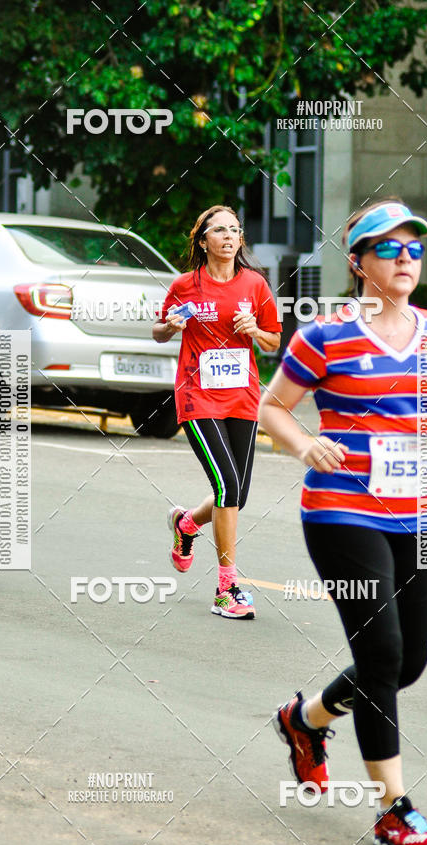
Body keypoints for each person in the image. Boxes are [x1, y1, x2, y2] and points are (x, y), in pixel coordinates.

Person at [259, 199, 427, 845]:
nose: (406, 258)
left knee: (407, 663)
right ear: (358, 262)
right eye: (389, 248)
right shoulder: (324, 335)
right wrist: (304, 445)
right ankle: (393, 810)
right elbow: (273, 407)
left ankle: (305, 719)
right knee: (380, 654)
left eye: (414, 248)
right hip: (343, 509)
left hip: (422, 512)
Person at [153, 205, 281, 618]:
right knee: (226, 484)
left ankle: (186, 523)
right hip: (198, 397)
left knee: (236, 494)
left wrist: (254, 330)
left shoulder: (255, 285)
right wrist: (170, 327)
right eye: (219, 230)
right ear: (203, 240)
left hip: (242, 398)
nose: (229, 236)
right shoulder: (185, 286)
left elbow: (273, 343)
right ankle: (227, 588)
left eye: (235, 230)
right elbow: (158, 332)